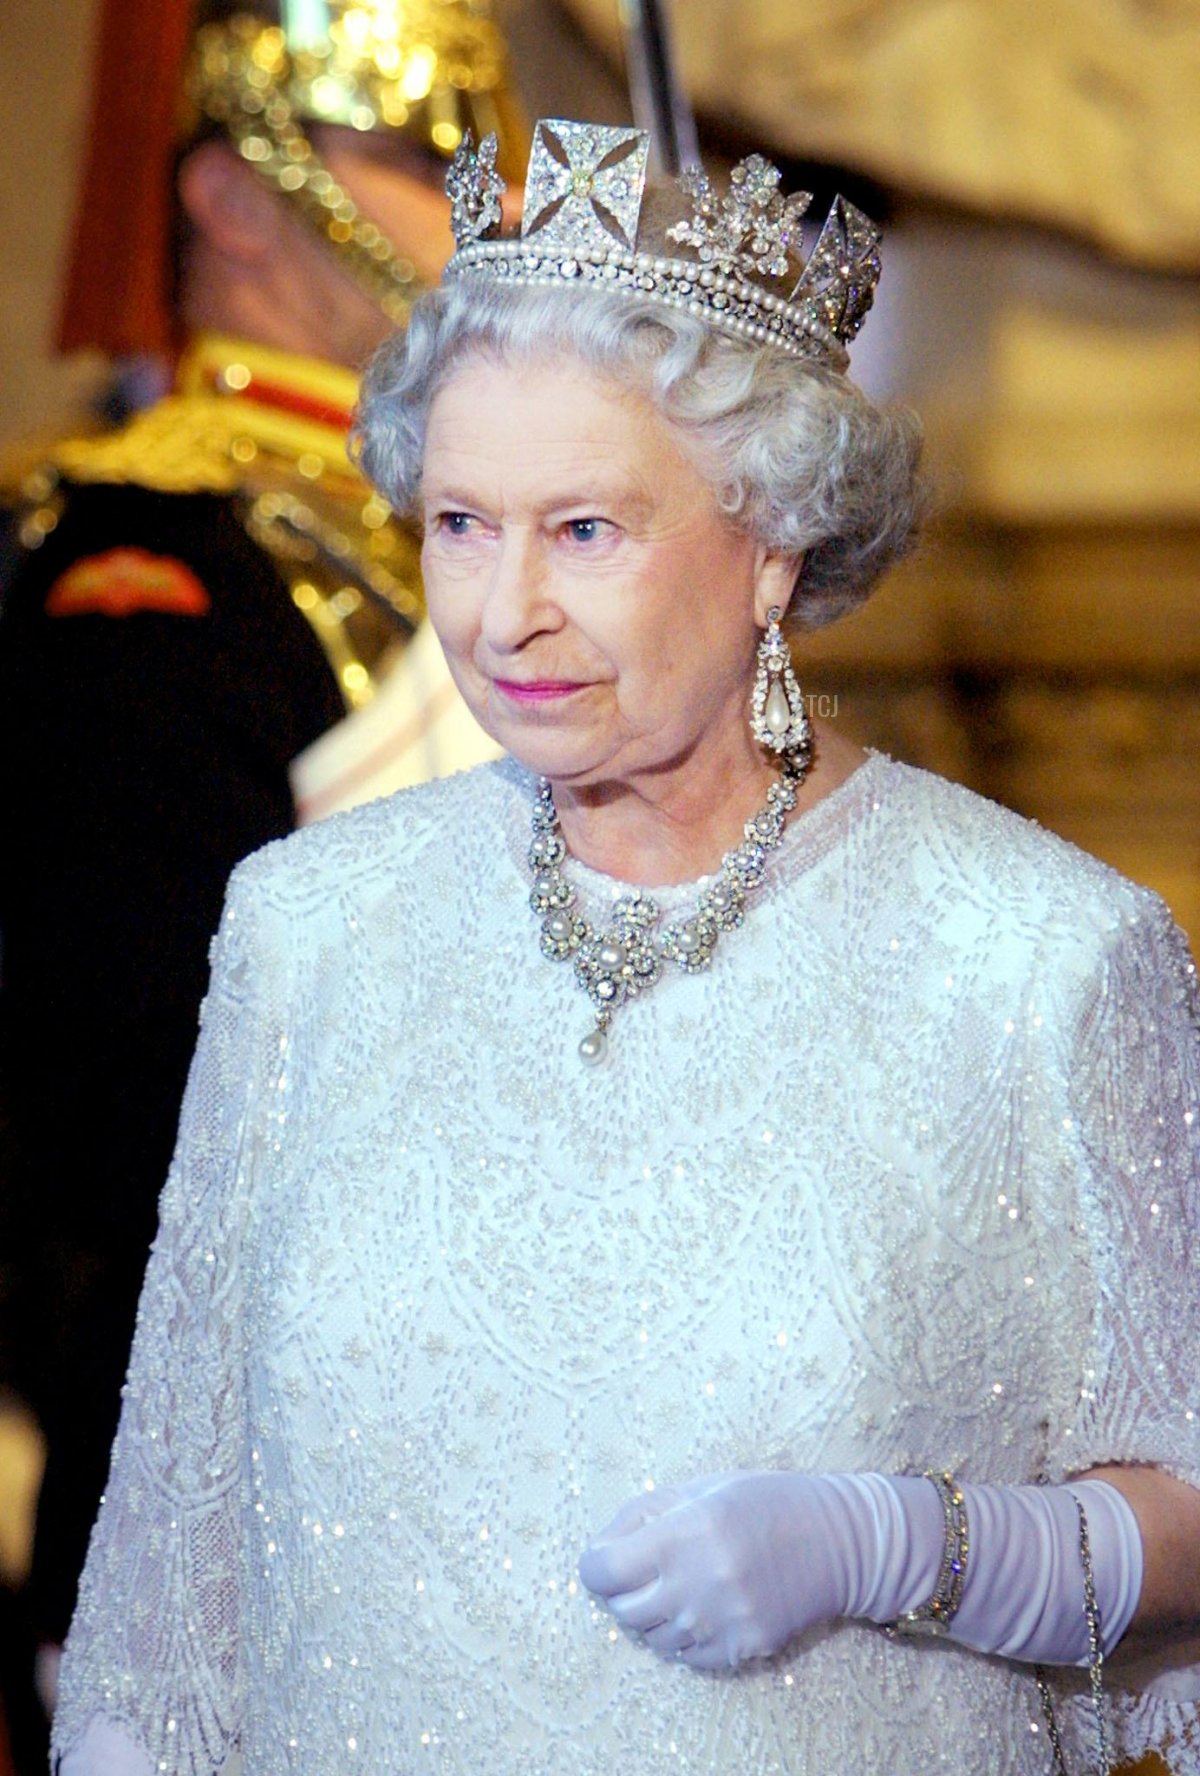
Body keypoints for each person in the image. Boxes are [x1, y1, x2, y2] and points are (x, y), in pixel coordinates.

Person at [52, 118, 1200, 1775]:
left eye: (584, 530)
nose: (501, 612)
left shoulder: (1042, 959)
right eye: (461, 523)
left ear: (773, 546)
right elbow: (172, 1571)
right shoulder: (309, 930)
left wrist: (904, 1545)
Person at [0, 0, 523, 1739]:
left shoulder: (477, 535)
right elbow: (134, 1115)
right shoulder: (157, 563)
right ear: (238, 198)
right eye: (423, 159)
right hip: (245, 1521)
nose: (483, 207)